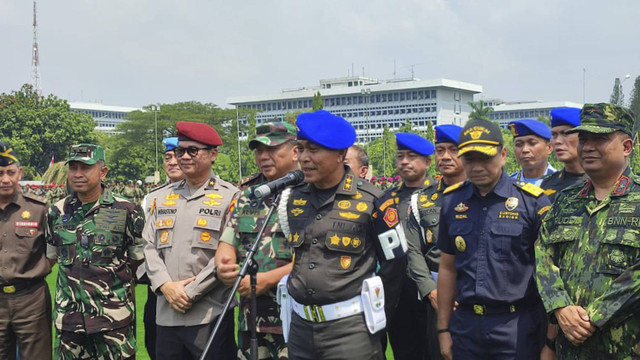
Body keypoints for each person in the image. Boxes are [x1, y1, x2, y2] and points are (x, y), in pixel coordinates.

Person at [281, 110, 407, 360]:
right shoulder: (294, 197)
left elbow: (395, 264)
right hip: (300, 328)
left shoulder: (374, 200)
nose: (304, 158)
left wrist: (376, 313)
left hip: (350, 331)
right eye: (301, 149)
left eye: (314, 150)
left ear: (340, 154)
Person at [437, 119, 551, 360]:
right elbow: (447, 268)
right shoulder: (452, 202)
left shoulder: (532, 203)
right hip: (466, 326)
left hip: (517, 327)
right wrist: (443, 329)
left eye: (485, 158)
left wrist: (550, 340)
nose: (477, 166)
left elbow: (550, 275)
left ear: (503, 154)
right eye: (470, 159)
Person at [535, 103, 640, 359]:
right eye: (584, 139)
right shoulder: (566, 200)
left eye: (600, 138)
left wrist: (593, 317)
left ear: (626, 147)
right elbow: (542, 255)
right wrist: (559, 306)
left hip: (626, 347)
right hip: (570, 348)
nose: (588, 147)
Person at [143, 121, 239, 360]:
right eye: (179, 151)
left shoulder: (231, 197)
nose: (183, 157)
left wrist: (189, 293)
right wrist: (166, 286)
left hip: (210, 313)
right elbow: (149, 247)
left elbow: (226, 256)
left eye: (192, 151)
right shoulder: (161, 197)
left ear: (213, 154)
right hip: (166, 313)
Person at [46, 144, 145, 359]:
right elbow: (52, 256)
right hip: (70, 322)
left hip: (113, 321)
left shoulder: (126, 210)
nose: (78, 174)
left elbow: (137, 259)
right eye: (73, 168)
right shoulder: (56, 212)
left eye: (86, 167)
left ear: (103, 171)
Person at [216, 122, 298, 360]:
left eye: (272, 150)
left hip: (296, 318)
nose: (263, 156)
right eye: (258, 150)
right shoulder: (247, 196)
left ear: (295, 151)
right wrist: (224, 265)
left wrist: (267, 279)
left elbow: (317, 257)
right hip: (252, 320)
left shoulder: (310, 193)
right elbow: (228, 241)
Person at [405, 124, 465, 360]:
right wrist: (430, 292)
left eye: (453, 150)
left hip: (476, 291)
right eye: (440, 150)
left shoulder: (480, 193)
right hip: (437, 295)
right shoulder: (421, 199)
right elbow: (412, 249)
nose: (446, 157)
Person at [138, 137, 190, 360]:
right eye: (167, 157)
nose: (172, 162)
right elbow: (146, 243)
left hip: (194, 287)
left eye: (177, 156)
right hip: (159, 288)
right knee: (157, 347)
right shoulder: (152, 199)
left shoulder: (215, 195)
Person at [385, 132, 436, 360]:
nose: (404, 161)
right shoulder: (386, 199)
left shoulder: (440, 196)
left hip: (433, 288)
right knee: (404, 350)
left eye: (412, 156)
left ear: (427, 162)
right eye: (400, 156)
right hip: (400, 290)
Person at [0, 142, 52, 360]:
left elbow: (53, 253)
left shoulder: (38, 209)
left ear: (19, 173)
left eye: (11, 172)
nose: (5, 179)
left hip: (31, 299)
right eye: (0, 173)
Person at [540, 107, 588, 202]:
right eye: (554, 135)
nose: (557, 141)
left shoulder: (601, 182)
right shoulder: (548, 183)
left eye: (565, 133)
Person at [509, 119, 556, 186]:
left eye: (532, 143)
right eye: (519, 144)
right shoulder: (507, 185)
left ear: (549, 147)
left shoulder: (562, 183)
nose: (525, 150)